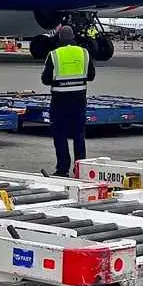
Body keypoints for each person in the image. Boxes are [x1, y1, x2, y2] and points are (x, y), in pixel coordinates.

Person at [41, 24, 94, 176]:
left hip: (60, 100)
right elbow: (91, 75)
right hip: (79, 99)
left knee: (60, 135)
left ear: (60, 38)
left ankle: (62, 169)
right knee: (78, 135)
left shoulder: (54, 54)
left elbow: (45, 79)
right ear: (73, 38)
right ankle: (81, 169)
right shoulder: (84, 53)